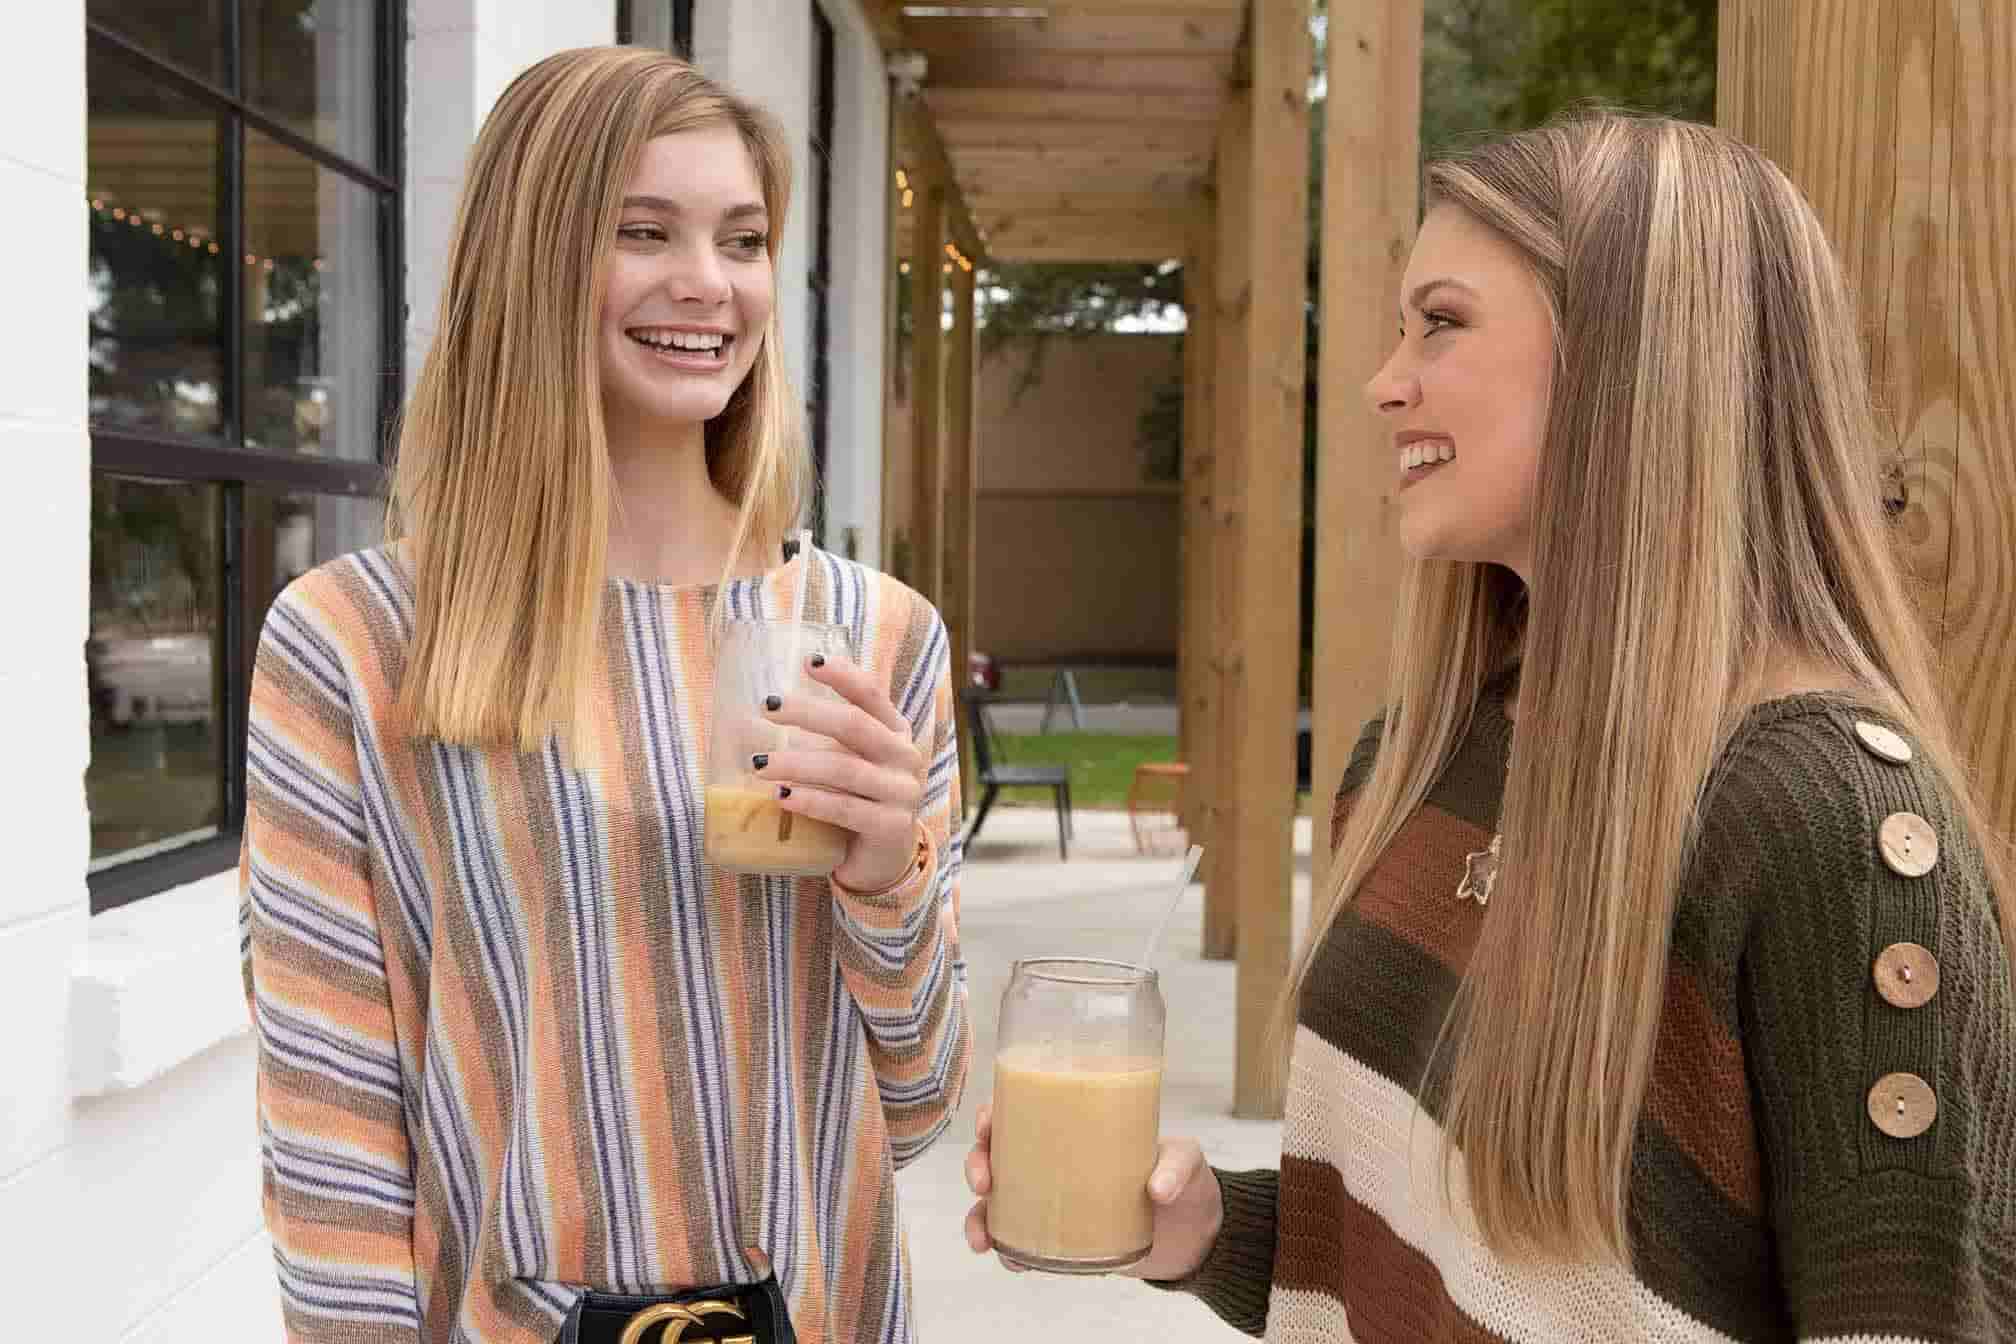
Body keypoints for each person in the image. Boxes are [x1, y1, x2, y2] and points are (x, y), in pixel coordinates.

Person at [964, 111, 2016, 1341]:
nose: (1383, 380)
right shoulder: (1416, 763)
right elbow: (1435, 1261)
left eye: (1442, 323)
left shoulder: (1832, 824)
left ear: (1633, 357)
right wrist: (1205, 1232)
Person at [240, 48, 970, 1344]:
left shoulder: (875, 638)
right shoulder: (356, 642)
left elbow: (916, 1106)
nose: (708, 282)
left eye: (742, 239)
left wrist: (885, 878)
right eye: (644, 232)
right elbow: (329, 1134)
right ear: (532, 258)